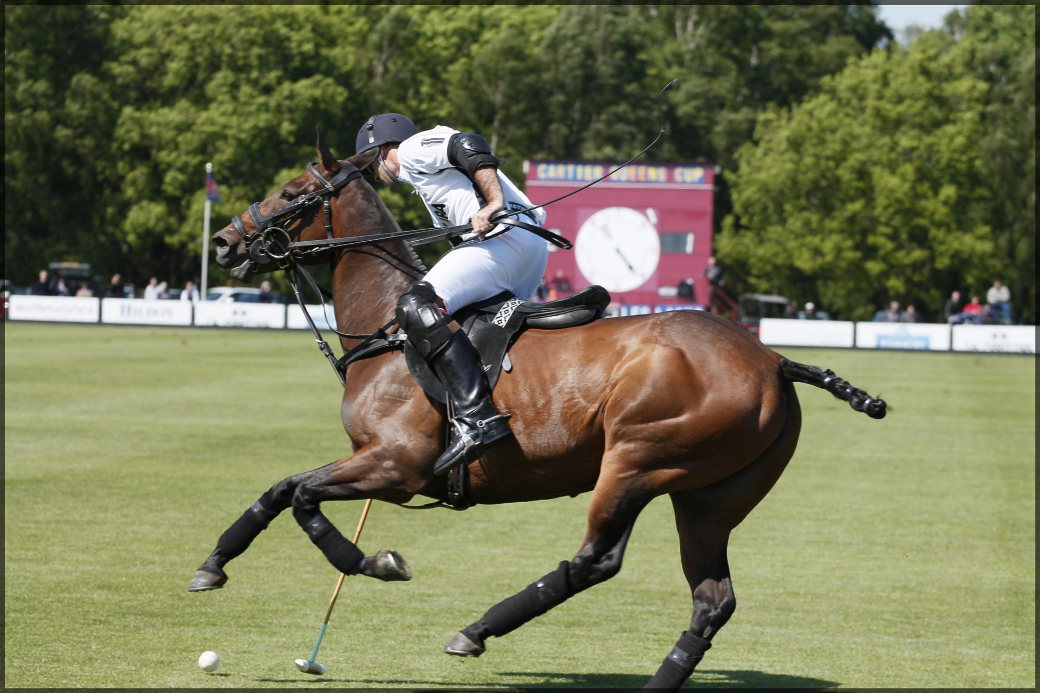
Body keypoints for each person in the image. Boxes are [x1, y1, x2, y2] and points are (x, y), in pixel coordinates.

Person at [356, 112, 547, 475]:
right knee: (470, 329)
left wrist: (492, 204)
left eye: (370, 166)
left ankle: (480, 419)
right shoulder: (429, 179)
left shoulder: (411, 151)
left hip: (504, 241)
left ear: (381, 151)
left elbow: (467, 144)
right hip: (528, 248)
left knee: (415, 305)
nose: (375, 176)